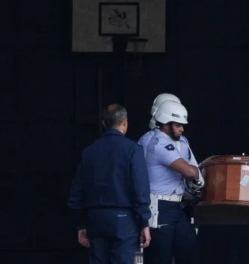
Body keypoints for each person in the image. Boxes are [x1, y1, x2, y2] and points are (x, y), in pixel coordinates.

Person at [68, 104, 152, 264]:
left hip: (95, 219)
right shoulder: (133, 150)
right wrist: (144, 222)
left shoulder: (89, 151)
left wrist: (80, 224)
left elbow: (77, 192)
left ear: (104, 123)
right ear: (125, 122)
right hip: (124, 220)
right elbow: (140, 189)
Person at [142, 100, 203, 264]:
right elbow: (190, 171)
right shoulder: (159, 144)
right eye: (178, 125)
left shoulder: (174, 142)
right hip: (160, 206)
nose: (182, 129)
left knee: (189, 249)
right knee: (160, 258)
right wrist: (197, 171)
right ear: (165, 123)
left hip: (176, 206)